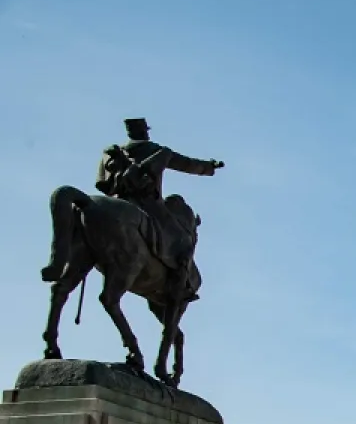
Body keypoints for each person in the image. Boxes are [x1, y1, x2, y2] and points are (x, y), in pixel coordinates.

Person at [43, 118, 223, 300]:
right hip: (150, 206)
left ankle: (60, 263)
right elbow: (188, 164)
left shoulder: (109, 153)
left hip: (116, 200)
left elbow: (101, 185)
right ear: (145, 132)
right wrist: (209, 167)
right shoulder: (157, 151)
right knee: (182, 240)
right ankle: (179, 288)